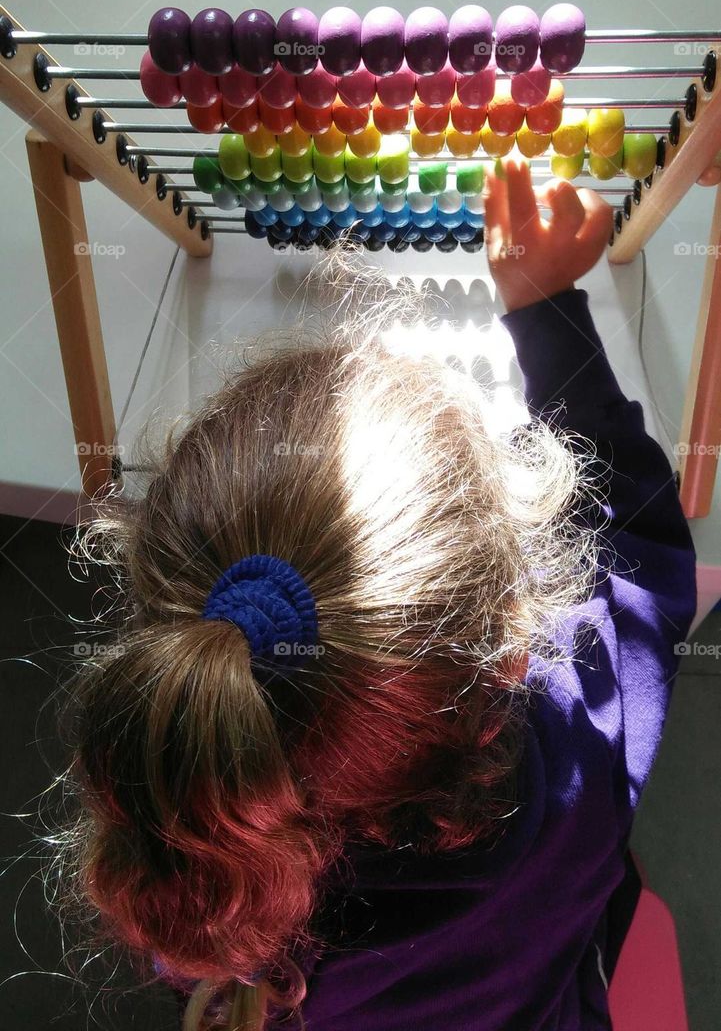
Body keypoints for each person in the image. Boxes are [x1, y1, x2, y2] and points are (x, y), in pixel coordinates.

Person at [59, 161, 696, 1031]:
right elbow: (640, 539)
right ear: (510, 654)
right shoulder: (576, 754)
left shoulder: (204, 856)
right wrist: (544, 305)